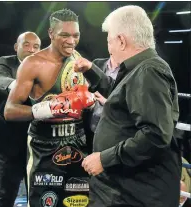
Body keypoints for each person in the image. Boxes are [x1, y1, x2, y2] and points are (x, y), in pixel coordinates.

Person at [74, 5, 181, 207]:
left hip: (135, 193)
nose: (109, 48)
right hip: (124, 189)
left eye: (109, 41)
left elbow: (156, 134)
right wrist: (91, 70)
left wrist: (104, 159)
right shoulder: (137, 69)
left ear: (122, 40)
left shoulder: (149, 71)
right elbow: (118, 96)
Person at [4, 9, 95, 207]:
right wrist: (48, 109)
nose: (71, 41)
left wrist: (90, 100)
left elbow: (84, 100)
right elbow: (10, 110)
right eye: (65, 35)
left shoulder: (78, 60)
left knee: (78, 203)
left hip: (77, 144)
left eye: (76, 35)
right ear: (51, 33)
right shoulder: (33, 63)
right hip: (44, 147)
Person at [0, 31, 41, 207]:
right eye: (26, 45)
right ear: (16, 47)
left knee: (38, 194)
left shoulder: (44, 67)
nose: (31, 50)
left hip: (38, 142)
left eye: (36, 46)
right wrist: (21, 85)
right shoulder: (6, 61)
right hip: (10, 140)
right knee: (6, 195)